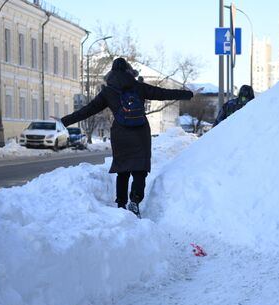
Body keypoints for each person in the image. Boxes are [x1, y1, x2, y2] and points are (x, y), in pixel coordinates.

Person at [60, 57, 193, 217]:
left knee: (122, 172)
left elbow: (88, 110)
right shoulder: (138, 86)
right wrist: (187, 94)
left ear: (111, 73)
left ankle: (121, 204)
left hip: (120, 134)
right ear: (129, 70)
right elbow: (163, 93)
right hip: (140, 133)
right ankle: (135, 202)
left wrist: (64, 121)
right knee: (139, 171)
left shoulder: (108, 92)